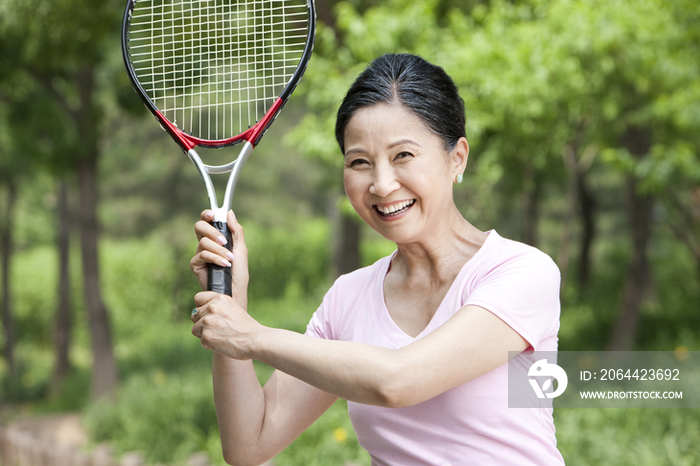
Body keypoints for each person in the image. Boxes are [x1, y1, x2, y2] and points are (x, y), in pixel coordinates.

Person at [190, 53, 565, 466]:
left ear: (456, 157)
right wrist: (231, 307)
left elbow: (399, 380)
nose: (382, 184)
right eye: (359, 162)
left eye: (403, 155)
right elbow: (249, 444)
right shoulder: (348, 297)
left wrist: (250, 336)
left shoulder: (521, 272)